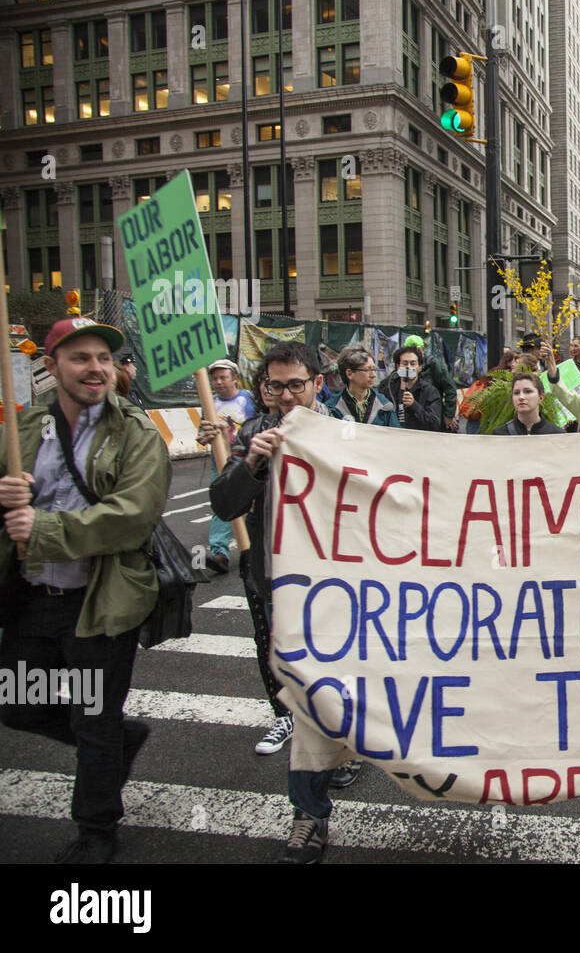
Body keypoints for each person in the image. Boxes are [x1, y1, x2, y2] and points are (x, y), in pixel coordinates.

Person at [0, 317, 169, 863]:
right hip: (32, 600)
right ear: (51, 367)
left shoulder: (136, 432)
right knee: (18, 704)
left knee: (93, 719)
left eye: (103, 357)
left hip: (100, 602)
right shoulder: (23, 431)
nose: (95, 368)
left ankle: (97, 830)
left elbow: (133, 517)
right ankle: (119, 743)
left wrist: (45, 529)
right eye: (80, 358)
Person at [208, 341, 360, 861]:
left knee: (335, 692)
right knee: (302, 695)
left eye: (298, 383)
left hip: (343, 589)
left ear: (318, 383)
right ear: (265, 389)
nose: (288, 395)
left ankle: (344, 749)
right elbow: (224, 502)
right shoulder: (255, 436)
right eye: (276, 385)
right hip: (282, 588)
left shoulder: (350, 435)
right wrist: (250, 463)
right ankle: (309, 817)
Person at [194, 358, 257, 575]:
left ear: (235, 379)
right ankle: (220, 553)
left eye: (223, 377)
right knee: (220, 504)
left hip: (248, 462)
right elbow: (202, 436)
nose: (218, 382)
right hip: (220, 463)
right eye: (214, 378)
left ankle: (253, 550)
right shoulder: (209, 403)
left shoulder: (250, 400)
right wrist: (205, 437)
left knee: (254, 506)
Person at [326, 345, 401, 427]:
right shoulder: (333, 407)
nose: (373, 375)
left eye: (374, 369)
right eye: (367, 370)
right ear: (349, 373)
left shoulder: (384, 406)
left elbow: (395, 436)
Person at [377, 345, 442, 431]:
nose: (408, 367)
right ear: (398, 366)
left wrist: (414, 406)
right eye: (405, 363)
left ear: (420, 367)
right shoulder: (387, 388)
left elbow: (434, 424)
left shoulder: (430, 392)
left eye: (413, 363)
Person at [408, 335, 460, 431]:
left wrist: (448, 415)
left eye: (416, 350)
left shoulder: (434, 365)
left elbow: (450, 389)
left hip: (432, 414)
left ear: (423, 349)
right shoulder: (401, 369)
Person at [491, 373, 567, 435]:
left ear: (540, 398)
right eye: (516, 393)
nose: (521, 397)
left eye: (528, 391)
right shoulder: (501, 434)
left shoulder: (556, 434)